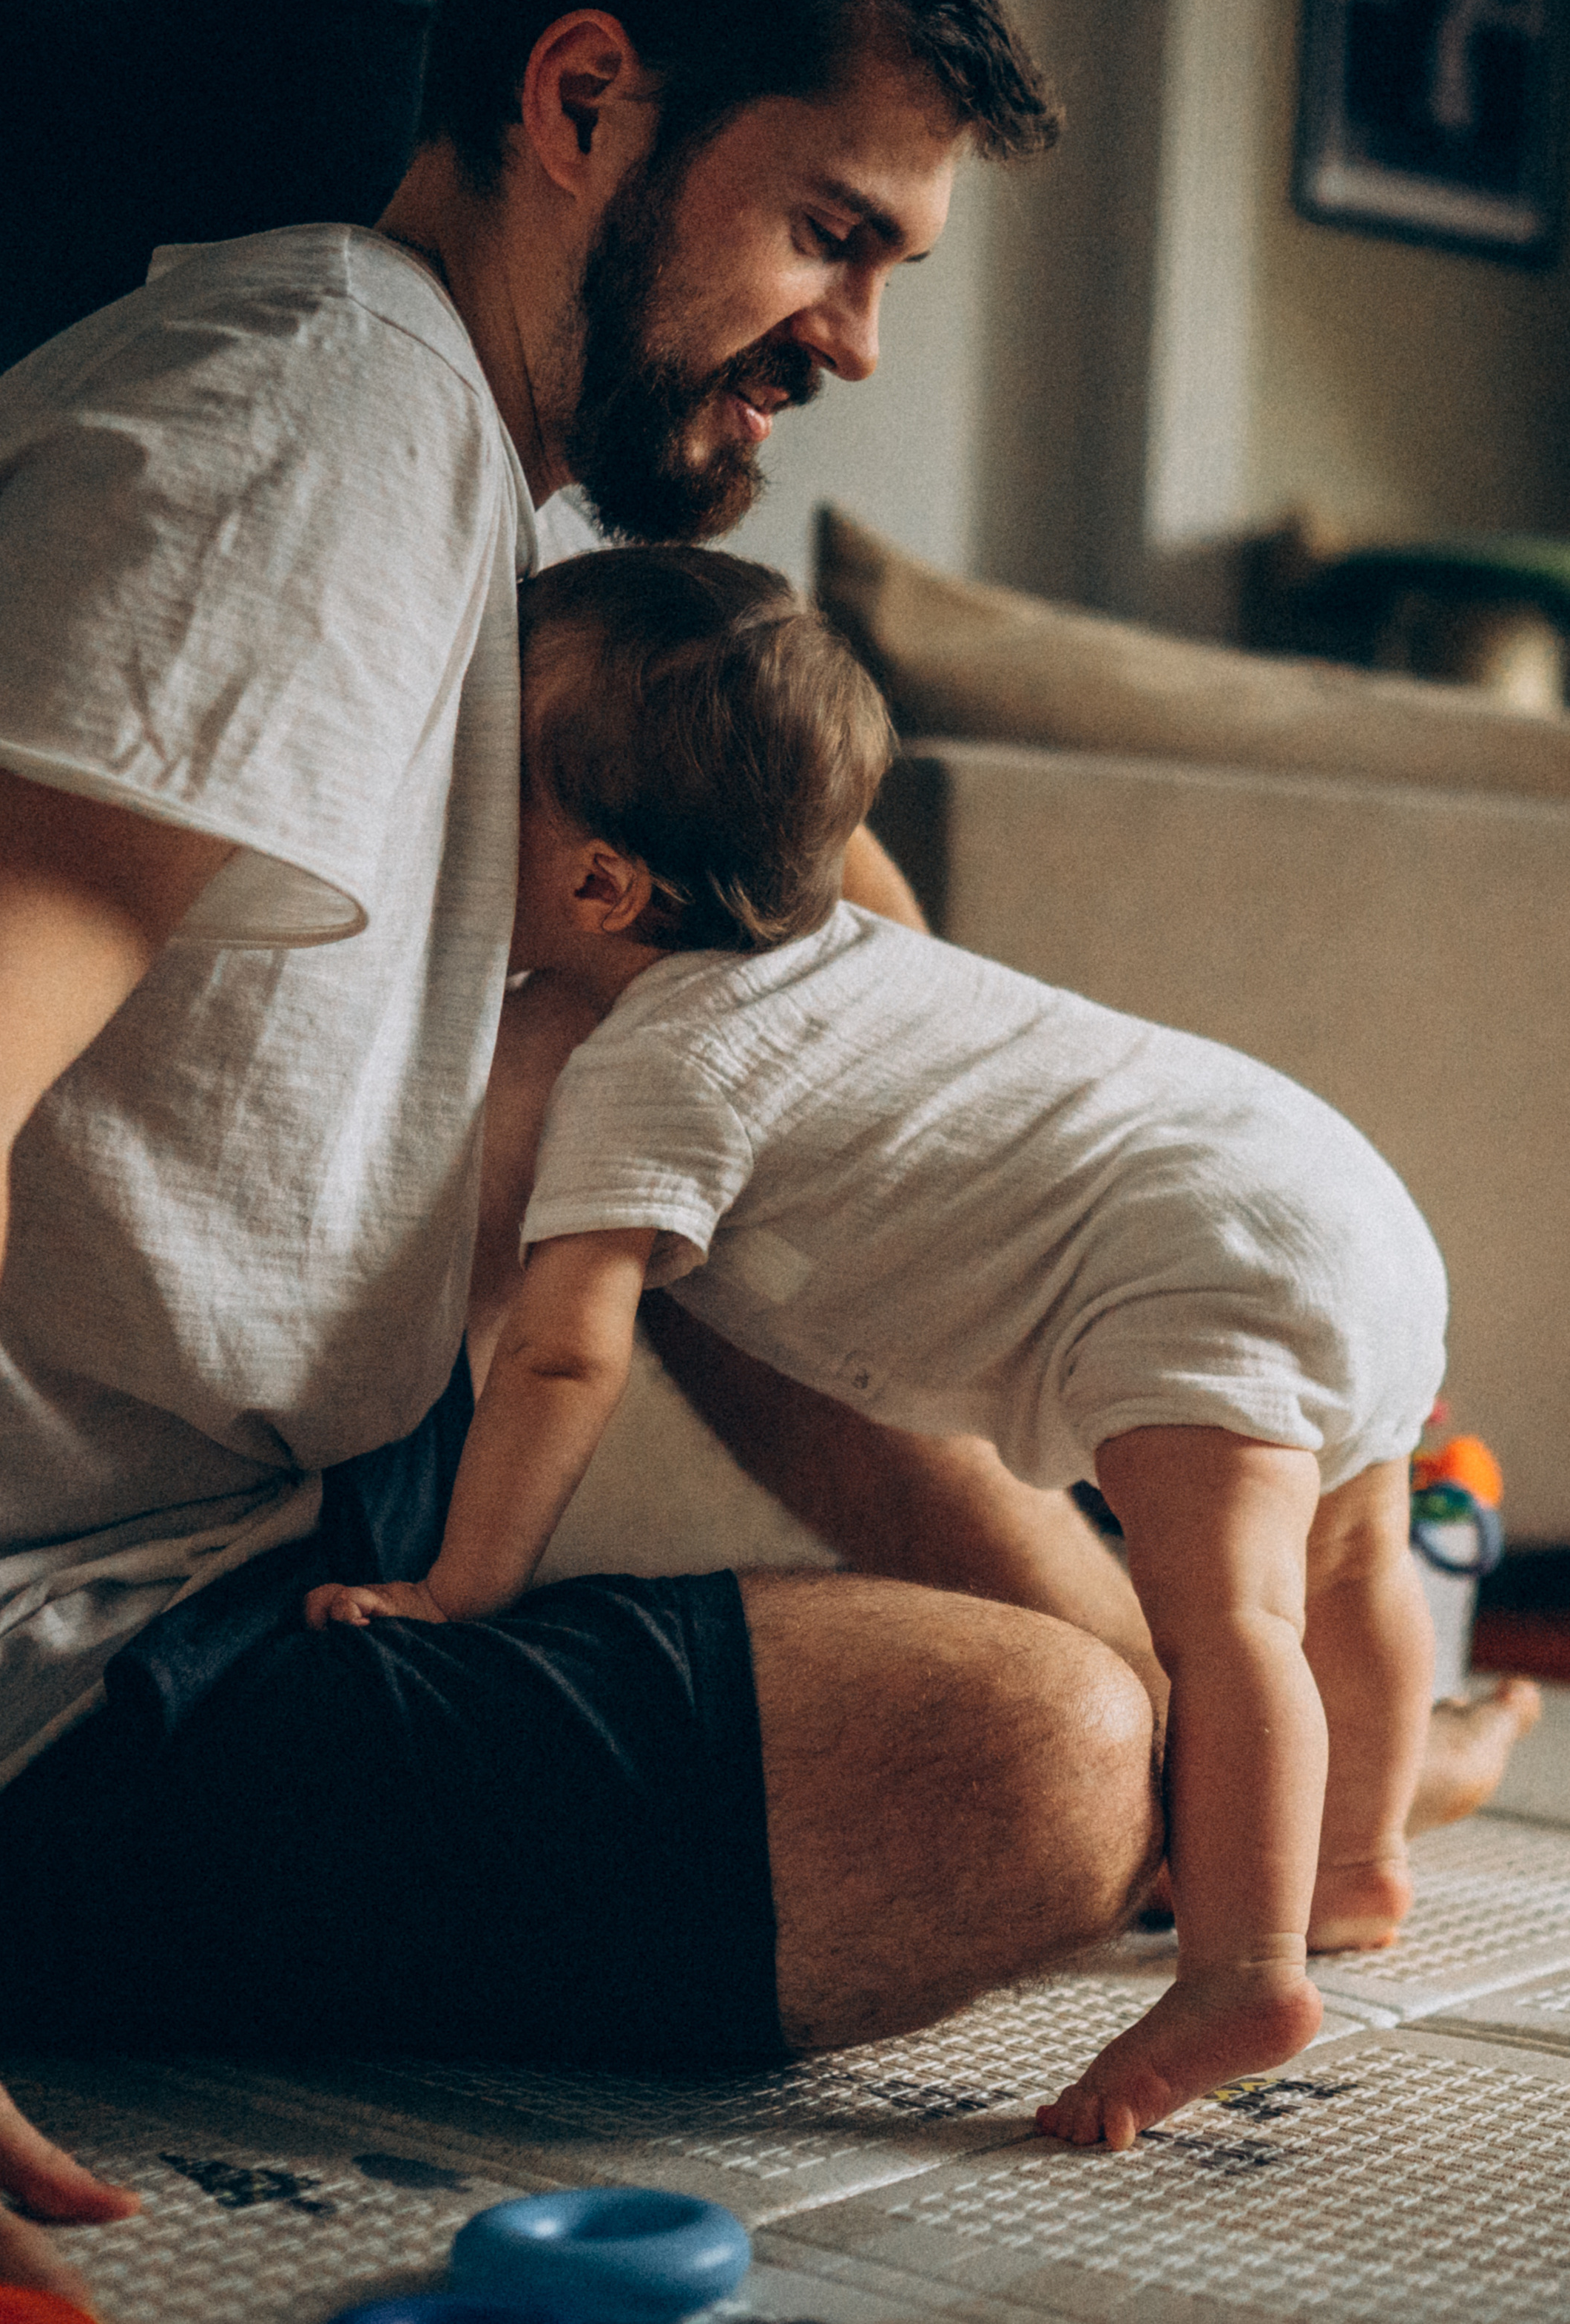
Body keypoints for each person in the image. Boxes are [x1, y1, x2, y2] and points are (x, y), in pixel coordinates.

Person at [0, 0, 1532, 2305]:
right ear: (581, 101)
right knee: (1028, 1762)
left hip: (243, 1530)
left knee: (758, 970)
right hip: (1, 1682)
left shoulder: (488, 495)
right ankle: (1186, 1751)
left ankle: (1211, 1715)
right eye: (831, 235)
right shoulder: (313, 426)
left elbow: (828, 994)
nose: (857, 340)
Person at [303, 543, 1447, 2147]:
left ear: (592, 888)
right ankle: (1354, 1858)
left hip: (1194, 1265)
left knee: (1233, 1619)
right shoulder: (854, 950)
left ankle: (1243, 1964)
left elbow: (566, 1359)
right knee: (1349, 1561)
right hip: (1325, 1182)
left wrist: (459, 1590)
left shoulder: (652, 1065)